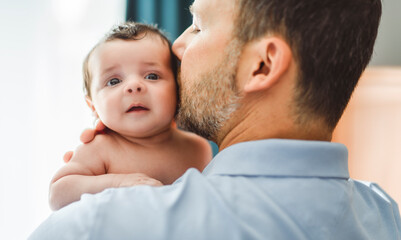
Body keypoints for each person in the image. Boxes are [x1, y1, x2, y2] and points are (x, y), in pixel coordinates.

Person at [30, 0, 401, 239]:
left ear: (262, 65)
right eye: (114, 81)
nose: (177, 46)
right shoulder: (387, 217)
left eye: (198, 26)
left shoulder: (95, 227)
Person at [48, 22, 212, 210]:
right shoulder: (100, 148)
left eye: (152, 76)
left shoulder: (197, 148)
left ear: (178, 89)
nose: (134, 86)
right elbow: (57, 194)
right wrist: (118, 183)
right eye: (114, 81)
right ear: (92, 106)